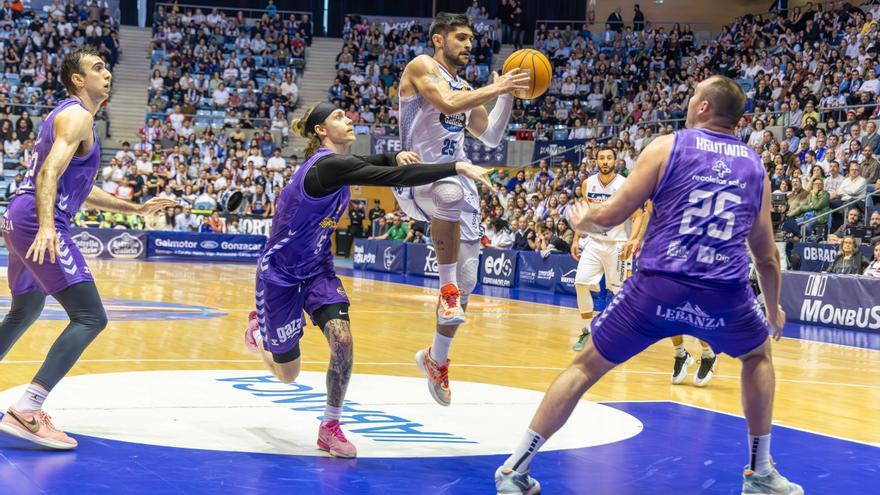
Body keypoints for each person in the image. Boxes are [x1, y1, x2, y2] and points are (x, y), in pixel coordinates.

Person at [494, 76, 803, 495]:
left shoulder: (667, 145)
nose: (690, 100)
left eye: (694, 95)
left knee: (584, 367)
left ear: (705, 108)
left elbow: (610, 215)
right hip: (723, 292)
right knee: (757, 356)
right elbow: (766, 256)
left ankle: (516, 469)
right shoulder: (755, 166)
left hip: (657, 286)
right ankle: (761, 472)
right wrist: (772, 311)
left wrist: (581, 219)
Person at [242, 102, 493, 458]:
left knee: (342, 341)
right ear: (320, 130)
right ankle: (259, 333)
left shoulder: (340, 166)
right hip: (279, 276)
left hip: (317, 269)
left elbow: (374, 162)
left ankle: (330, 426)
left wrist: (396, 156)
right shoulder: (327, 166)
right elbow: (385, 175)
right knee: (288, 376)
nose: (349, 119)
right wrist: (456, 166)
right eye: (339, 117)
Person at [0, 48, 176, 450]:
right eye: (97, 68)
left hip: (17, 216)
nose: (107, 73)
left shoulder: (74, 118)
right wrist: (47, 226)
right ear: (78, 80)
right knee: (90, 317)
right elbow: (48, 172)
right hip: (35, 220)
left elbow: (79, 188)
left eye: (106, 67)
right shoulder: (77, 116)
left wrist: (134, 208)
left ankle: (27, 405)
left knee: (24, 310)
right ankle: (28, 408)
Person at [391, 12, 528, 407]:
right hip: (417, 173)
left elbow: (492, 133)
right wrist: (495, 85)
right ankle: (445, 289)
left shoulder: (468, 86)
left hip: (458, 176)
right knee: (449, 193)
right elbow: (446, 101)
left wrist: (506, 95)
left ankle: (437, 359)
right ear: (439, 40)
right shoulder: (422, 66)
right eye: (462, 38)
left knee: (468, 283)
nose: (469, 45)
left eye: (471, 39)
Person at [569, 147, 643, 352]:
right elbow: (586, 215)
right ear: (596, 161)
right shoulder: (587, 184)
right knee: (580, 283)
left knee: (619, 293)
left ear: (615, 161)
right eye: (601, 158)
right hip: (593, 242)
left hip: (618, 245)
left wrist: (633, 240)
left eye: (609, 158)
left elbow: (638, 216)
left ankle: (620, 334)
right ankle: (586, 331)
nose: (605, 161)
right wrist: (576, 239)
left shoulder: (625, 184)